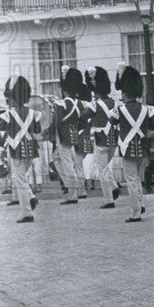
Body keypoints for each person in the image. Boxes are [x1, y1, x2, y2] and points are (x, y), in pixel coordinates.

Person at [110, 64, 154, 222]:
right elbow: (152, 126)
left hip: (127, 148)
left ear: (125, 91)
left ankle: (135, 212)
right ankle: (140, 205)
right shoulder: (145, 109)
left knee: (131, 180)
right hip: (142, 148)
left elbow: (111, 121)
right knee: (137, 179)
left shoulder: (120, 109)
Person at [0, 75, 42, 223]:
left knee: (20, 181)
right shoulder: (33, 113)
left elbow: (0, 127)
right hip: (31, 149)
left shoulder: (8, 114)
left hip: (16, 150)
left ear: (13, 97)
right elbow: (37, 130)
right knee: (21, 179)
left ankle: (27, 213)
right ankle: (32, 198)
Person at [84, 67, 122, 208]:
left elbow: (84, 116)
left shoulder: (94, 104)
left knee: (102, 170)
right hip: (114, 140)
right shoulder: (114, 102)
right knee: (105, 167)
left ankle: (108, 199)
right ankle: (114, 187)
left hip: (101, 140)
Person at [53, 66, 88, 204]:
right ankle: (79, 188)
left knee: (67, 164)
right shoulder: (80, 103)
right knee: (56, 158)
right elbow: (83, 120)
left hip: (62, 136)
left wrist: (47, 132)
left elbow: (57, 122)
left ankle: (73, 193)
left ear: (64, 89)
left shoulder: (62, 103)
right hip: (73, 134)